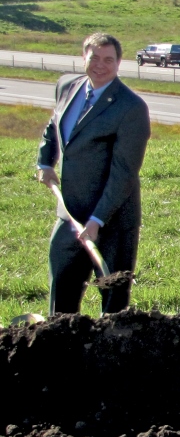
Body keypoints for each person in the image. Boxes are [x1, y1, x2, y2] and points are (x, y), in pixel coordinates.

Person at [36, 32, 150, 315]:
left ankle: (107, 355)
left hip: (112, 218)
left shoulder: (131, 107)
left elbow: (124, 172)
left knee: (113, 302)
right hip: (70, 212)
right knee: (61, 290)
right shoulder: (67, 86)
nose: (100, 65)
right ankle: (62, 347)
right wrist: (45, 161)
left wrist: (98, 219)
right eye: (94, 58)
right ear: (83, 56)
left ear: (119, 63)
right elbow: (54, 126)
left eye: (108, 60)